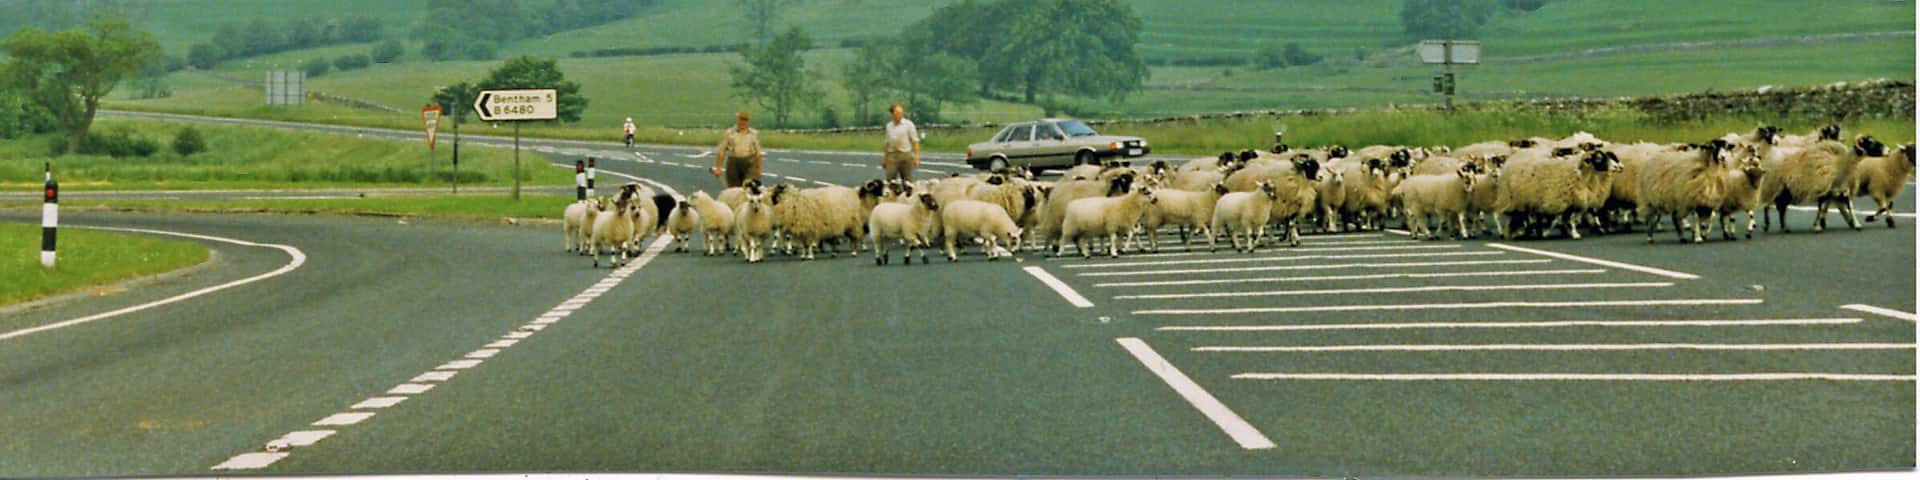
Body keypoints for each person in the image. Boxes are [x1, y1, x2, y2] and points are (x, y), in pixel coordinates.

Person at [713, 111, 763, 188]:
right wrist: (718, 168)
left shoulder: (753, 134)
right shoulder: (729, 133)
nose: (743, 122)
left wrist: (759, 169)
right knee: (734, 189)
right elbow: (721, 151)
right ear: (737, 120)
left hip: (749, 162)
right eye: (741, 120)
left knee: (749, 186)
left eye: (745, 120)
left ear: (748, 122)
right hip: (733, 163)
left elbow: (758, 153)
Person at [882, 103, 920, 182]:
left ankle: (907, 193)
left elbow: (915, 141)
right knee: (890, 180)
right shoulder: (889, 126)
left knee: (907, 181)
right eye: (897, 113)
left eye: (901, 113)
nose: (899, 115)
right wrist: (885, 158)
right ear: (892, 114)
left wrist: (916, 156)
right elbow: (887, 142)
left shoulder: (908, 124)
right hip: (892, 155)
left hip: (905, 154)